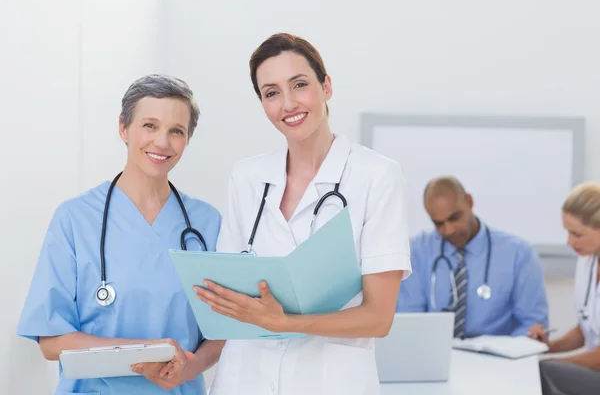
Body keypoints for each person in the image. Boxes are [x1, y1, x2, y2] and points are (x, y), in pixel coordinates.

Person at [193, 33, 412, 395]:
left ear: (326, 87)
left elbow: (378, 317)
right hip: (244, 378)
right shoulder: (247, 177)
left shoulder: (376, 176)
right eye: (272, 92)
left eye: (300, 85)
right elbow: (229, 295)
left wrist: (284, 322)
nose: (289, 103)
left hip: (330, 381)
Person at [16, 74, 223, 394]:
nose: (162, 142)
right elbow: (51, 340)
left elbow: (224, 330)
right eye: (150, 125)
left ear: (187, 140)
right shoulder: (74, 219)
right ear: (123, 128)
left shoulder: (207, 223)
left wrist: (190, 367)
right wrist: (146, 352)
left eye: (176, 131)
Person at [396, 175, 549, 338]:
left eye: (454, 218)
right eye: (438, 223)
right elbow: (409, 321)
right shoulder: (417, 252)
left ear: (469, 201)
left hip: (499, 359)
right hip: (431, 356)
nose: (448, 230)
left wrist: (528, 337)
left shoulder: (519, 254)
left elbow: (532, 323)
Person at [528, 182, 600, 395]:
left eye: (577, 234)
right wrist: (547, 346)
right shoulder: (587, 261)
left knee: (544, 372)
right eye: (567, 232)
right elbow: (586, 329)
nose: (569, 242)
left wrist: (549, 362)